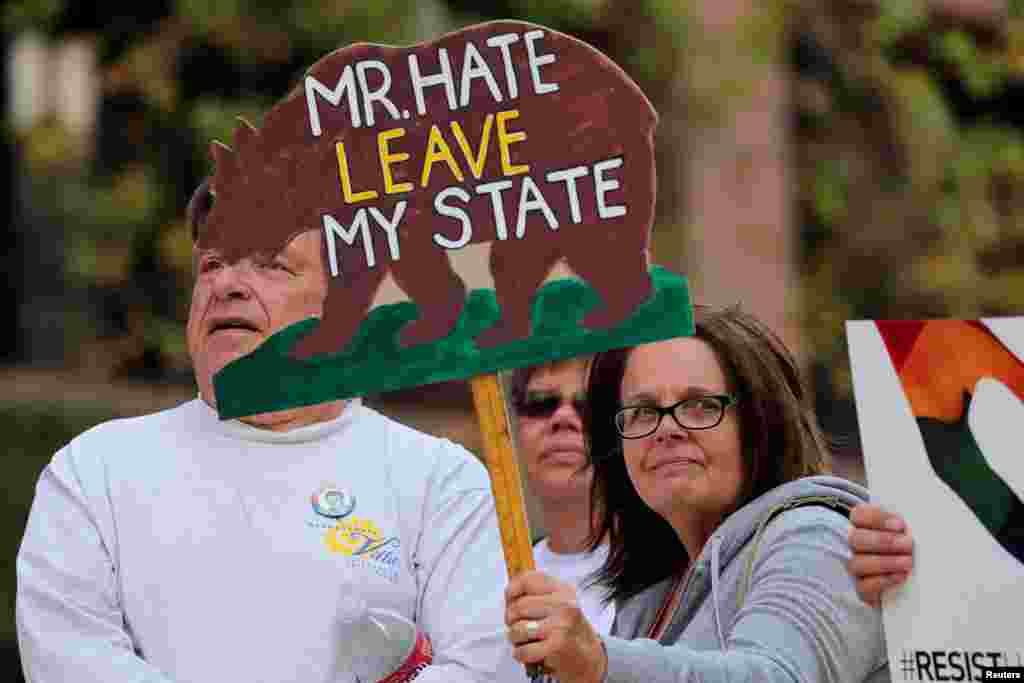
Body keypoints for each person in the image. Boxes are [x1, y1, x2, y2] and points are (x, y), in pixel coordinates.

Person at [16, 179, 521, 683]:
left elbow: (483, 668)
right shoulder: (93, 473)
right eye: (212, 263)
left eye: (270, 264)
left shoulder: (443, 484)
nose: (226, 285)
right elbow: (72, 663)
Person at [504, 304, 889, 683]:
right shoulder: (649, 597)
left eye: (701, 406)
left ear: (760, 424)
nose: (667, 429)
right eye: (643, 411)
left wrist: (600, 662)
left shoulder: (816, 534)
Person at [508, 358, 616, 635]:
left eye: (589, 407)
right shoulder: (483, 577)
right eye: (541, 404)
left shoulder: (672, 575)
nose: (563, 418)